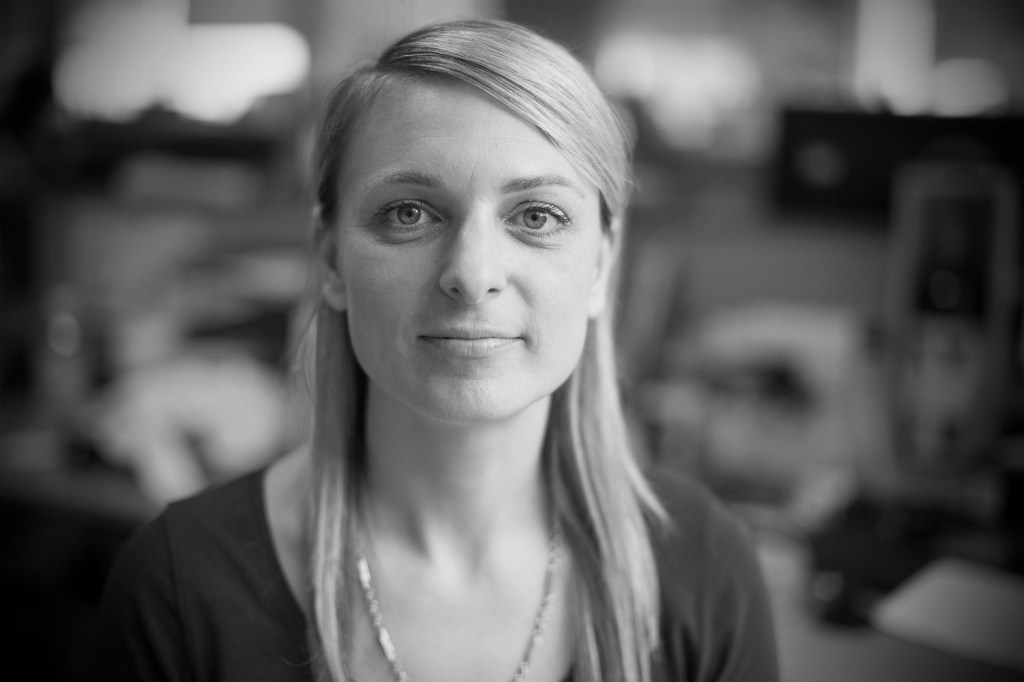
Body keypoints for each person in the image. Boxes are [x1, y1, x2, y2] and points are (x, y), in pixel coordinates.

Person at [90, 18, 777, 682]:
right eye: (409, 213)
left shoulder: (705, 569)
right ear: (330, 259)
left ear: (601, 263)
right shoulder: (178, 587)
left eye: (537, 215)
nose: (472, 274)